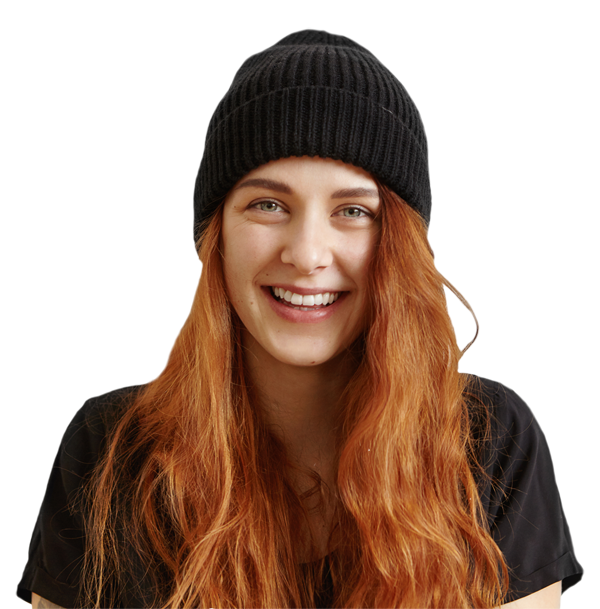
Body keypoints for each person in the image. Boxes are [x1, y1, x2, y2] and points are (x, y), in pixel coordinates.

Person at [17, 29, 583, 609]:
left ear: (402, 246)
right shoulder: (108, 448)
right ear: (217, 237)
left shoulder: (490, 442)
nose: (308, 253)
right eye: (268, 204)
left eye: (354, 210)